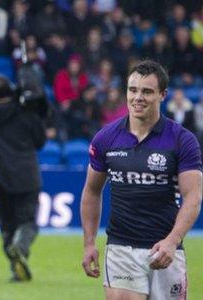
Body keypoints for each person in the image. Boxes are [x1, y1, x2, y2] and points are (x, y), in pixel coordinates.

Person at [81, 60, 202, 299]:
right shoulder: (106, 138)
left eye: (146, 91)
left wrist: (172, 240)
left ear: (162, 95)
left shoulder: (183, 140)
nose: (138, 97)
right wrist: (89, 243)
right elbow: (91, 192)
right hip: (121, 249)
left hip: (166, 249)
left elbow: (193, 197)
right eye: (132, 90)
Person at [0, 75, 47, 282]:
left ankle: (16, 267)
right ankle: (20, 247)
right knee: (28, 222)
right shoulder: (27, 113)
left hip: (1, 176)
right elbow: (40, 141)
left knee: (7, 225)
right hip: (27, 174)